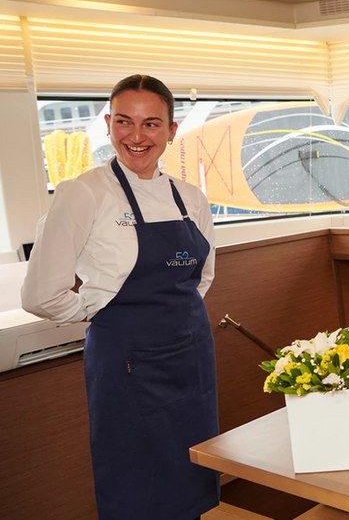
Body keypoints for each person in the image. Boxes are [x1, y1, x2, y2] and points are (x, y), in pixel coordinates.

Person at [22, 75, 219, 519]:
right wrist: (99, 313)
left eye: (151, 124)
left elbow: (201, 278)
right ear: (108, 124)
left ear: (171, 130)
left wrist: (177, 321)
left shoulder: (190, 198)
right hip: (126, 364)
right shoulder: (84, 193)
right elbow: (40, 293)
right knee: (135, 476)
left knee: (195, 468)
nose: (136, 136)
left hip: (191, 355)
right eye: (124, 122)